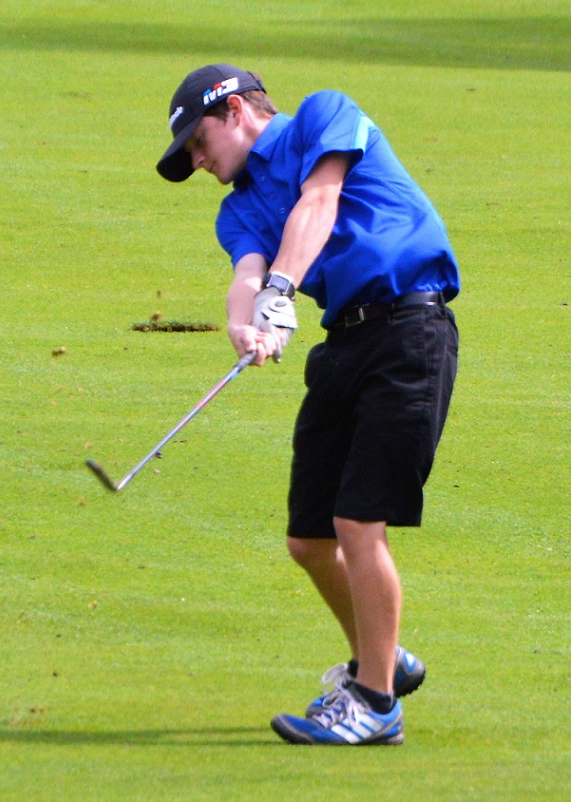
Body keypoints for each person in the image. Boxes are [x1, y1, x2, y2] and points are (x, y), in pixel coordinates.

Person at [156, 64, 459, 745]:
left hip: (409, 330)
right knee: (309, 537)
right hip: (343, 346)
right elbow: (247, 272)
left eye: (200, 145)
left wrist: (284, 291)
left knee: (358, 521)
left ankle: (376, 704)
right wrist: (246, 320)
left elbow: (319, 201)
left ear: (234, 109)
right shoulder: (236, 207)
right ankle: (386, 658)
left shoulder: (324, 115)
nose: (200, 163)